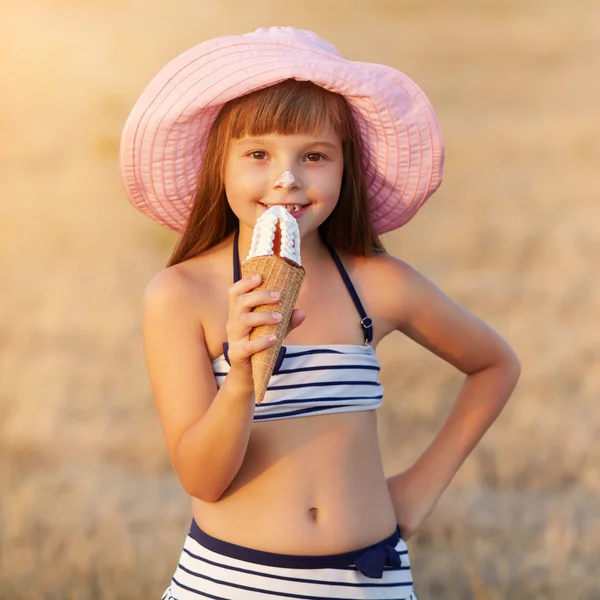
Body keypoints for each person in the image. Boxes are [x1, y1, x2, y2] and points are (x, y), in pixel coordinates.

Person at [119, 26, 520, 600]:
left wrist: (419, 489)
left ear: (343, 168)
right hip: (234, 582)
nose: (288, 178)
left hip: (369, 580)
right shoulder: (181, 294)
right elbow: (201, 478)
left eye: (314, 155)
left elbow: (494, 365)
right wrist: (241, 375)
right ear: (220, 165)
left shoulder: (377, 284)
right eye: (258, 154)